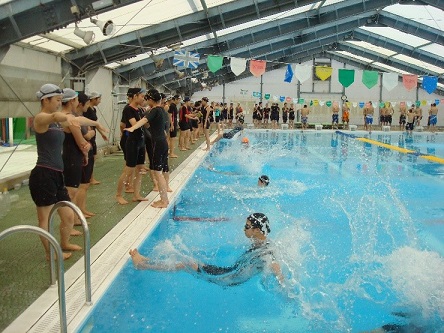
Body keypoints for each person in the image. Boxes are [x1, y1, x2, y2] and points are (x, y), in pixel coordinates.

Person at [29, 84, 106, 260]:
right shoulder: (41, 118)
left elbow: (76, 120)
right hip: (43, 174)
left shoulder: (57, 121)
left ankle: (64, 242)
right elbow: (59, 115)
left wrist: (96, 124)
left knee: (69, 215)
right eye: (56, 100)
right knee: (45, 218)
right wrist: (66, 117)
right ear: (45, 100)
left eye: (59, 100)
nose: (58, 103)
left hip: (57, 174)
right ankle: (51, 253)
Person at [129, 213, 284, 287]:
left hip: (227, 279)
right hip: (228, 271)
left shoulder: (265, 253)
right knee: (189, 258)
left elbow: (275, 266)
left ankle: (142, 265)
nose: (244, 229)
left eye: (247, 227)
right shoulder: (261, 242)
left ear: (257, 230)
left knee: (186, 263)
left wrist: (284, 287)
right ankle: (147, 261)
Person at [125, 89, 171, 208]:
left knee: (157, 173)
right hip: (163, 142)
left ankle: (163, 200)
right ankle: (165, 198)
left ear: (151, 100)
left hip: (157, 143)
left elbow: (145, 121)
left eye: (147, 99)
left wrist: (133, 127)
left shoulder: (155, 110)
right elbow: (152, 125)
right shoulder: (162, 110)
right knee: (162, 170)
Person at [115, 87, 147, 205]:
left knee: (140, 169)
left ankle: (136, 194)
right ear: (135, 96)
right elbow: (135, 124)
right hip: (132, 142)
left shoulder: (139, 110)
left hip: (140, 141)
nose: (143, 99)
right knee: (128, 170)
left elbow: (146, 125)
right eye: (142, 96)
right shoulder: (128, 109)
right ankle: (118, 195)